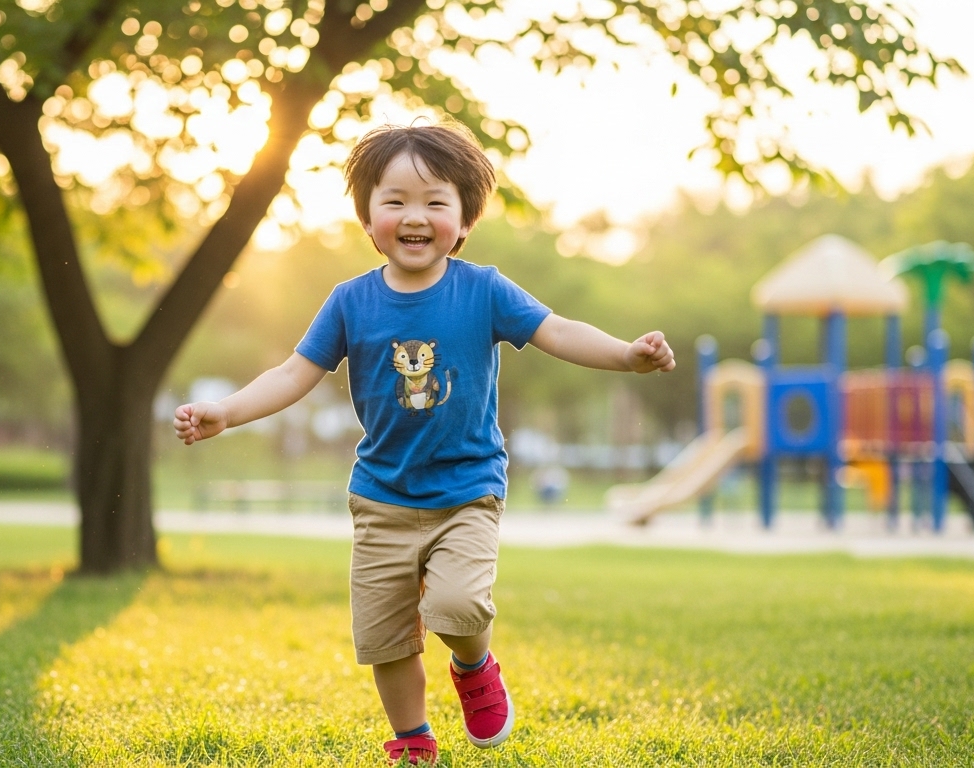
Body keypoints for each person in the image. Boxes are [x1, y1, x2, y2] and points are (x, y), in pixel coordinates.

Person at [173, 121, 675, 765]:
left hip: (466, 488)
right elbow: (294, 372)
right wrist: (227, 410)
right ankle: (411, 738)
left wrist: (626, 355)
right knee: (385, 636)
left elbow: (557, 330)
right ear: (368, 217)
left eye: (436, 202)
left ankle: (473, 668)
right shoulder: (350, 301)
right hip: (381, 495)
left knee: (459, 605)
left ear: (463, 221)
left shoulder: (483, 289)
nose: (415, 216)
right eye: (396, 201)